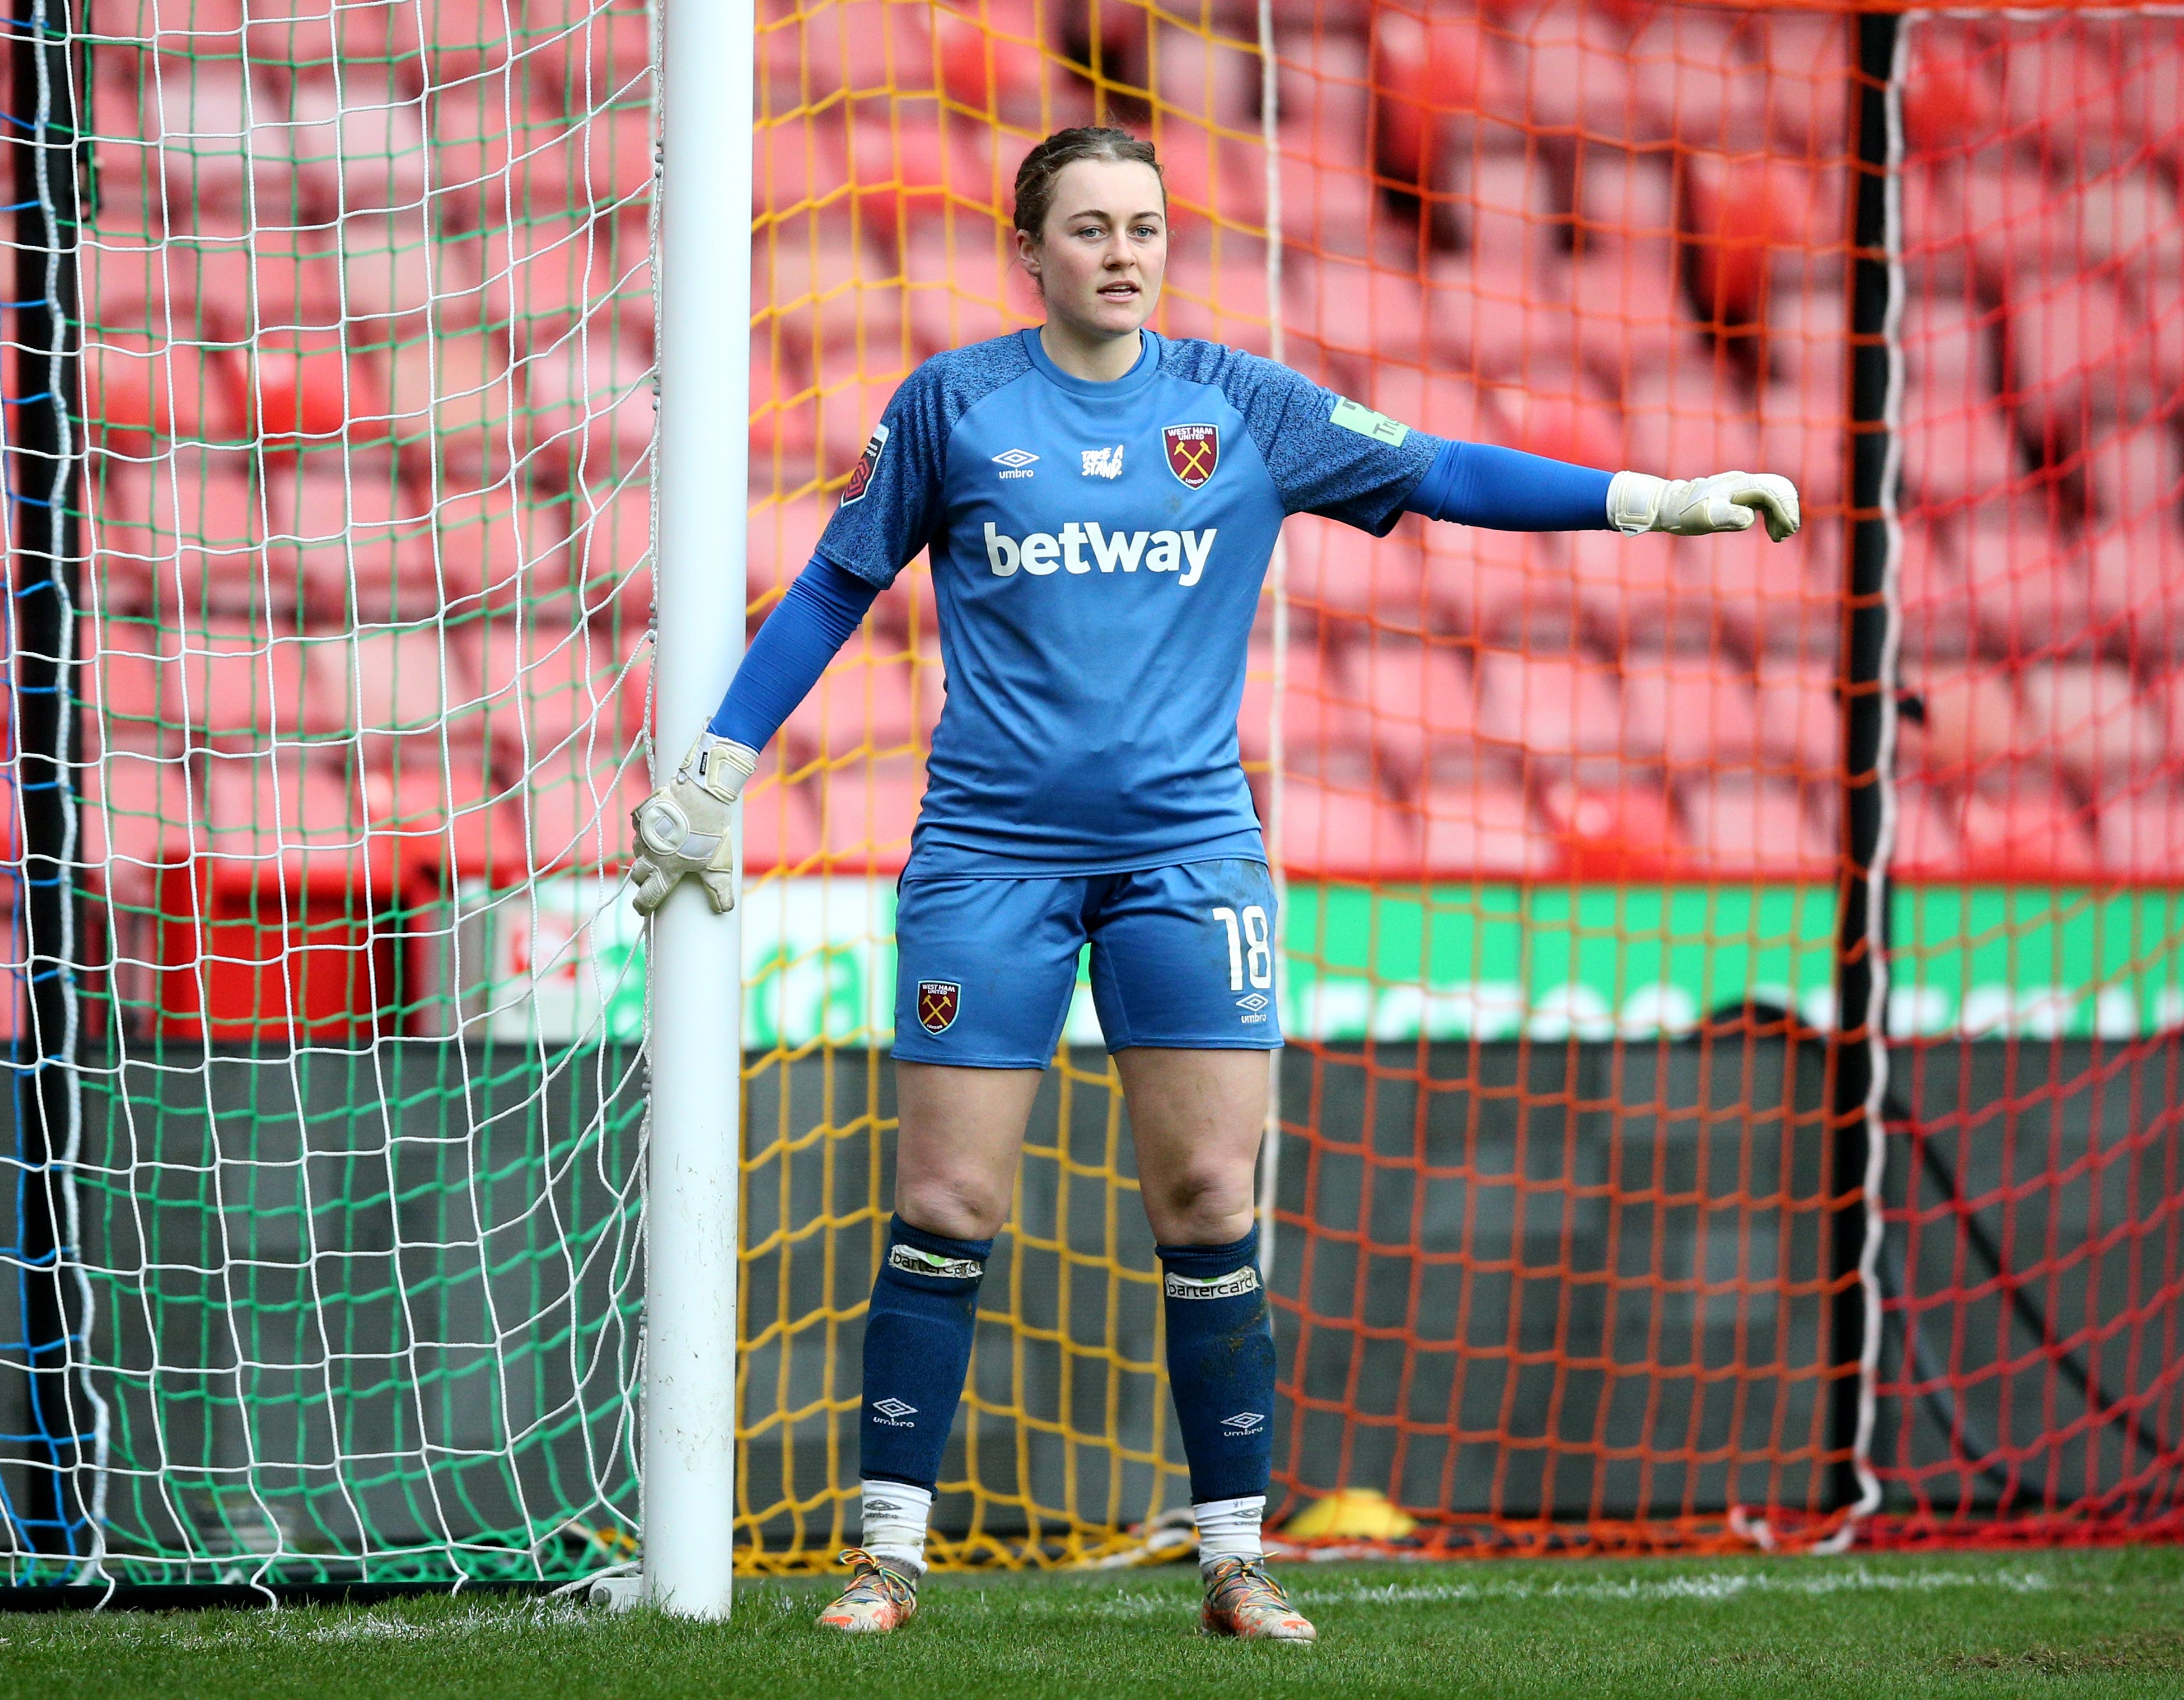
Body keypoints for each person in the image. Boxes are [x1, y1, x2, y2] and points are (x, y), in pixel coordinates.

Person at [628, 125, 1800, 1641]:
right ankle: (887, 1557)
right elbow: (838, 580)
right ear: (1028, 249)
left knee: (1205, 1197)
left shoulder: (1242, 404)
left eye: (1146, 226)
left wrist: (1657, 500)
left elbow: (1440, 467)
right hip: (989, 858)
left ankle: (1236, 1558)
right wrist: (719, 770)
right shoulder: (955, 403)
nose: (1123, 251)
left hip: (1192, 860)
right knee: (947, 1194)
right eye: (1090, 227)